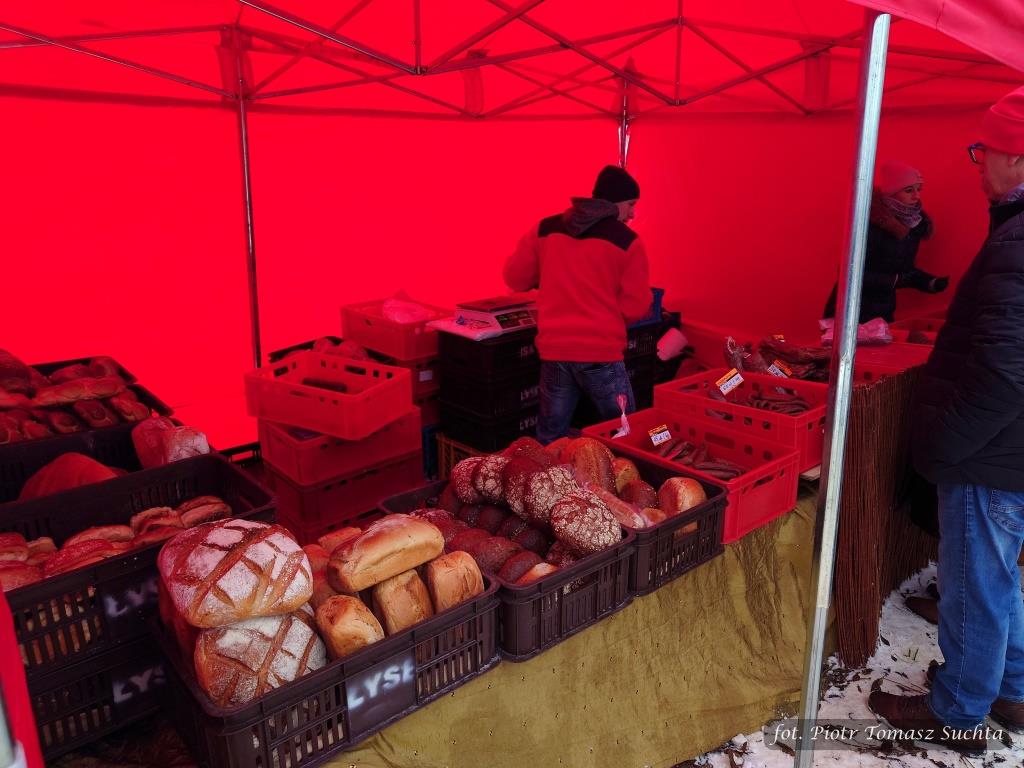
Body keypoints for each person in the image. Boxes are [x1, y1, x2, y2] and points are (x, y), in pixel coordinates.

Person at [868, 86, 1024, 756]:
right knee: (998, 579)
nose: (977, 164)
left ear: (1017, 158)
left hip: (988, 453)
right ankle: (1012, 690)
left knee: (974, 588)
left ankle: (958, 711)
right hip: (1005, 448)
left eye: (984, 151)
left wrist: (943, 445)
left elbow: (1006, 372)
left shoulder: (1019, 241)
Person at [503, 165, 651, 444]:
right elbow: (636, 305)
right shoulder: (627, 241)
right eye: (631, 204)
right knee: (625, 435)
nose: (632, 214)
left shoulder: (545, 229)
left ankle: (550, 472)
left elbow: (515, 277)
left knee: (551, 438)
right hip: (601, 353)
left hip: (555, 352)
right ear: (615, 202)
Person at [823, 160, 948, 324]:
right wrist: (895, 280)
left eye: (919, 189)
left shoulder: (913, 224)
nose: (916, 196)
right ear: (892, 192)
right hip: (850, 311)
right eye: (909, 190)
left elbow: (905, 270)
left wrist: (930, 282)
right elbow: (850, 273)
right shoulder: (870, 223)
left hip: (882, 312)